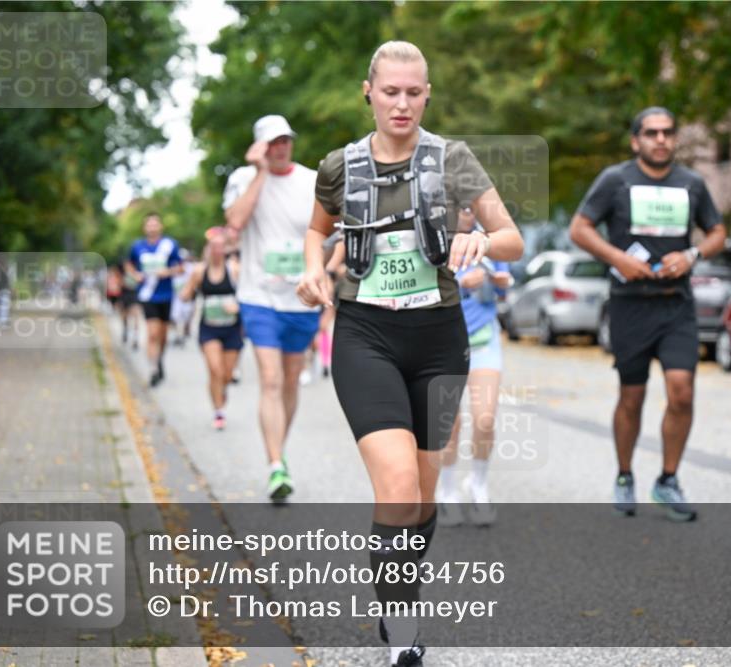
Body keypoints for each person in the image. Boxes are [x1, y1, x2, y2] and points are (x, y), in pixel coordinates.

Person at [296, 41, 523, 667]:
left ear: (427, 94)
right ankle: (400, 627)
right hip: (365, 335)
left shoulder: (452, 159)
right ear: (368, 91)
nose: (402, 103)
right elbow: (317, 231)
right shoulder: (339, 167)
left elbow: (512, 238)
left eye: (414, 92)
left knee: (422, 497)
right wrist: (314, 271)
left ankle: (403, 590)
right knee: (396, 487)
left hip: (438, 339)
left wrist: (480, 240)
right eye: (390, 91)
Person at [569, 106, 727, 521]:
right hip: (629, 305)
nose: (660, 140)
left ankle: (667, 479)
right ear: (635, 140)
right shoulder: (615, 180)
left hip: (676, 304)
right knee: (632, 396)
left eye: (668, 133)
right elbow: (580, 228)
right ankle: (624, 474)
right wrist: (617, 258)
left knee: (682, 392)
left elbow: (717, 232)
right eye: (651, 133)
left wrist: (691, 254)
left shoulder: (692, 183)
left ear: (675, 138)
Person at [223, 114, 319, 501]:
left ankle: (280, 447)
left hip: (300, 298)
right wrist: (259, 174)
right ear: (260, 147)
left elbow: (333, 233)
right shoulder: (242, 180)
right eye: (272, 142)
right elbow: (235, 223)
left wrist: (321, 271)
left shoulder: (312, 180)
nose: (280, 148)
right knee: (271, 379)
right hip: (258, 296)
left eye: (285, 141)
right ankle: (276, 464)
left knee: (292, 380)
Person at [436, 209, 513, 527]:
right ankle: (447, 488)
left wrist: (499, 283)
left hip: (483, 341)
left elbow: (504, 291)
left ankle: (478, 484)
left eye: (471, 206)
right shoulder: (435, 240)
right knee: (449, 424)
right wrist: (460, 284)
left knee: (484, 417)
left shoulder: (490, 240)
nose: (466, 211)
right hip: (444, 343)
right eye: (459, 204)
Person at [180, 227, 243, 430]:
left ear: (225, 249)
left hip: (232, 328)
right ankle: (218, 412)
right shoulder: (199, 271)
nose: (216, 250)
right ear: (208, 249)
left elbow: (249, 295)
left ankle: (221, 390)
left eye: (220, 247)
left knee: (226, 374)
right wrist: (188, 291)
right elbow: (185, 295)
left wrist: (237, 306)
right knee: (215, 370)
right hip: (209, 328)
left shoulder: (234, 269)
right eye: (213, 246)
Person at [125, 213, 183, 387]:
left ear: (160, 226)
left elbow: (180, 267)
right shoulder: (137, 246)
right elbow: (128, 264)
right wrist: (135, 275)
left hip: (165, 295)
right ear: (144, 228)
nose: (152, 227)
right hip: (147, 295)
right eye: (148, 224)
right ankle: (152, 369)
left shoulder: (170, 245)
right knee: (152, 333)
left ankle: (159, 360)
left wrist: (168, 272)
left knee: (163, 335)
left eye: (155, 224)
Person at [170, 249, 194, 347]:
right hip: (175, 298)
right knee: (175, 317)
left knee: (186, 316)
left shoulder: (190, 269)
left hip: (187, 298)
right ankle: (177, 335)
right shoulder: (172, 268)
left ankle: (183, 334)